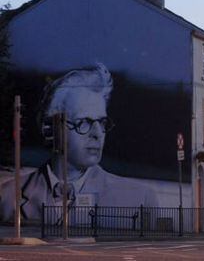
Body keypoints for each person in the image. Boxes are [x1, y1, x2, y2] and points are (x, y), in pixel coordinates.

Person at [0, 63, 158, 222]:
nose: (98, 134)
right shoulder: (5, 198)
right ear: (50, 129)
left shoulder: (140, 200)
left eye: (102, 122)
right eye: (84, 122)